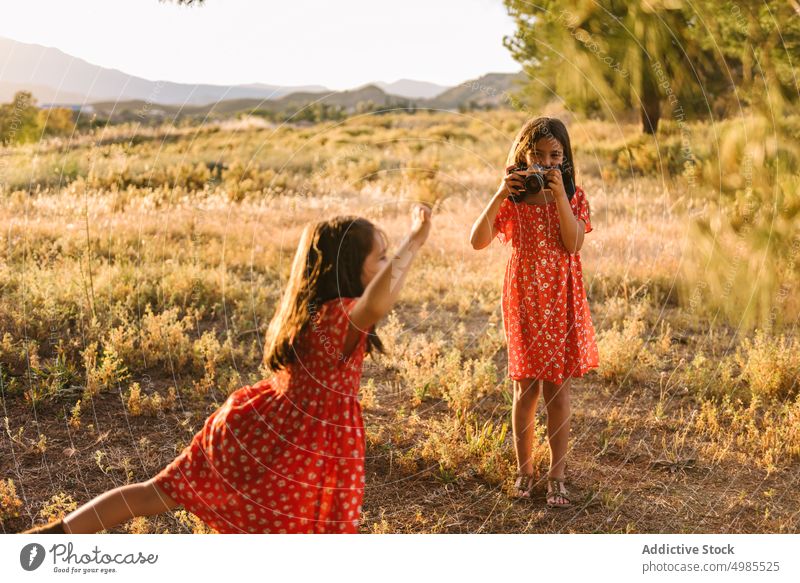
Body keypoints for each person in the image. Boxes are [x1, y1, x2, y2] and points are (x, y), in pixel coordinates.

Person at [24, 205, 432, 533]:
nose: (387, 265)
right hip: (300, 450)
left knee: (156, 493)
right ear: (347, 268)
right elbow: (378, 302)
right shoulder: (336, 316)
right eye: (381, 257)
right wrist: (414, 239)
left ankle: (55, 537)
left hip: (258, 424)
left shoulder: (311, 310)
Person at [469, 117, 598, 508]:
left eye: (554, 156)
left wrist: (559, 195)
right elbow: (477, 241)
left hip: (560, 294)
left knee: (557, 387)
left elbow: (573, 244)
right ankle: (525, 469)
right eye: (537, 155)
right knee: (525, 386)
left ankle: (557, 473)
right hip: (524, 294)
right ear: (523, 156)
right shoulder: (514, 198)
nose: (545, 163)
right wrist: (498, 194)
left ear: (565, 157)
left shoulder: (574, 196)